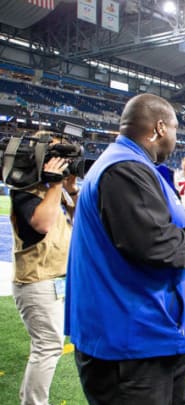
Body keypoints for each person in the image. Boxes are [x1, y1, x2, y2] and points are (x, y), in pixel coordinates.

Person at [65, 93, 185, 403]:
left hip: (148, 339)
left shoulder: (128, 165)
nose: (176, 138)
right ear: (160, 128)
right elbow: (155, 245)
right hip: (130, 345)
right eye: (175, 130)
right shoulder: (124, 170)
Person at [10, 132, 78, 405]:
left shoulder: (52, 190)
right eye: (56, 156)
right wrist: (54, 185)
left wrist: (69, 188)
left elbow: (79, 219)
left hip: (55, 280)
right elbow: (41, 224)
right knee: (47, 346)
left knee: (48, 345)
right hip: (37, 282)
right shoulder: (26, 191)